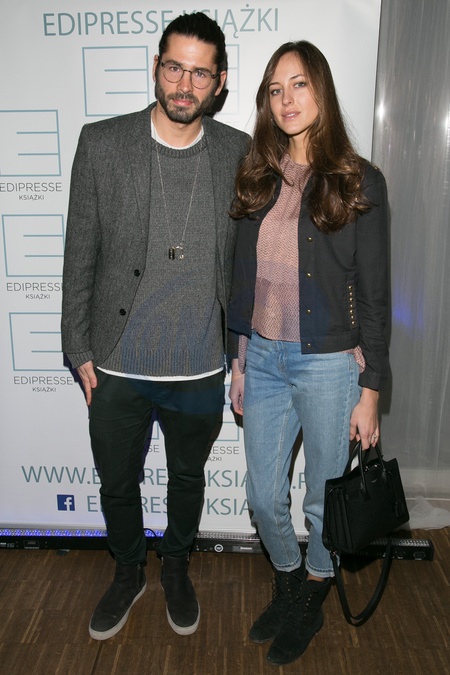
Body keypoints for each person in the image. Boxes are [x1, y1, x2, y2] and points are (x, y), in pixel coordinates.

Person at [61, 12, 249, 640]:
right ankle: (126, 571)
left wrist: (241, 353)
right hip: (116, 361)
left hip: (199, 365)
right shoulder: (102, 143)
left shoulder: (238, 152)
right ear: (156, 68)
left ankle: (175, 567)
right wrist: (76, 345)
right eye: (174, 67)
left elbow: (249, 264)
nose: (184, 85)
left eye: (200, 74)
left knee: (188, 481)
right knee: (117, 482)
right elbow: (79, 253)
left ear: (219, 83)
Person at [228, 41, 389, 666]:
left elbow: (375, 295)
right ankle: (292, 579)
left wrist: (371, 389)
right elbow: (241, 277)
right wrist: (239, 357)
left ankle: (313, 592)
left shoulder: (359, 181)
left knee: (323, 499)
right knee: (263, 496)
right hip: (264, 358)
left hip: (329, 365)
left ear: (320, 89)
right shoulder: (256, 175)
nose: (287, 99)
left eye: (298, 84)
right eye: (275, 89)